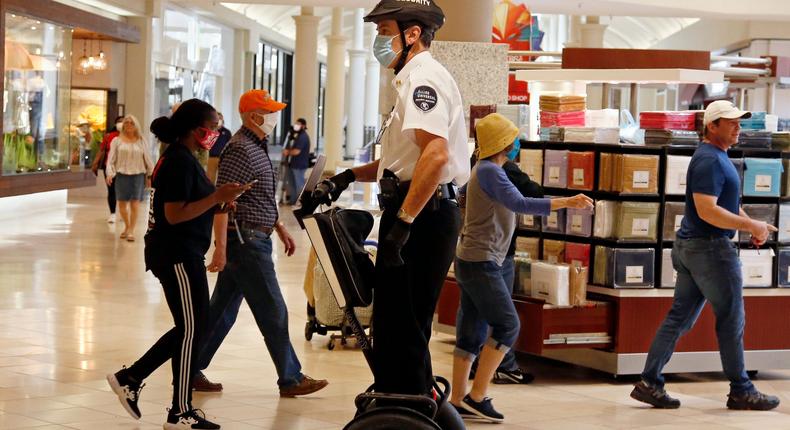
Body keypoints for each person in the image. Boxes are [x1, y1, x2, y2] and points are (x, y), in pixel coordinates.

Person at [319, 0, 467, 402]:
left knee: (403, 324)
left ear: (412, 34)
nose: (378, 41)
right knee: (397, 323)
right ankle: (406, 398)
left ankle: (406, 407)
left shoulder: (424, 80)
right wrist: (348, 176)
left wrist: (403, 223)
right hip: (417, 208)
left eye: (384, 31)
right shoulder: (408, 79)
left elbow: (436, 156)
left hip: (424, 214)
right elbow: (402, 161)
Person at [107, 98, 249, 429]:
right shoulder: (178, 162)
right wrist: (216, 197)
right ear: (194, 128)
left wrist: (221, 203)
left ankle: (133, 378)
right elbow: (174, 214)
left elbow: (191, 206)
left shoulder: (184, 158)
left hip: (182, 253)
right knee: (192, 329)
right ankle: (179, 409)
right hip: (176, 256)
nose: (216, 132)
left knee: (193, 327)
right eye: (212, 127)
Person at [630, 100, 780, 411]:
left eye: (739, 122)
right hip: (710, 250)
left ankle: (649, 382)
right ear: (712, 126)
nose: (738, 127)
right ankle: (742, 389)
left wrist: (751, 224)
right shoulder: (710, 160)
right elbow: (707, 210)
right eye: (731, 122)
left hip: (694, 247)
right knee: (731, 319)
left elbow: (722, 205)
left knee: (679, 317)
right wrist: (749, 224)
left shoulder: (715, 156)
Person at [451, 113, 593, 422]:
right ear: (503, 142)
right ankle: (477, 396)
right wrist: (569, 202)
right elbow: (522, 203)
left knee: (471, 329)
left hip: (471, 257)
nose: (518, 143)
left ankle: (458, 398)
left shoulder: (484, 169)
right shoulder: (491, 171)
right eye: (514, 138)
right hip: (482, 260)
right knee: (508, 326)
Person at [192, 90, 328, 398]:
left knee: (222, 310)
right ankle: (291, 378)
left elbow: (255, 196)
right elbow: (224, 200)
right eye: (270, 113)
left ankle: (189, 367)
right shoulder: (240, 148)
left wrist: (278, 225)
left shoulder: (255, 145)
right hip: (246, 241)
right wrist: (222, 247)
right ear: (254, 117)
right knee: (273, 308)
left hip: (255, 235)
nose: (275, 118)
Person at [106, 115, 154, 242]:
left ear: (135, 125)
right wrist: (110, 173)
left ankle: (131, 230)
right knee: (121, 204)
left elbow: (148, 158)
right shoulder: (117, 141)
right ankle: (127, 226)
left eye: (131, 122)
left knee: (135, 204)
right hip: (121, 175)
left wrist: (151, 174)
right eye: (126, 122)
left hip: (138, 175)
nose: (128, 125)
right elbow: (111, 159)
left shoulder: (141, 140)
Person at [92, 115, 123, 223]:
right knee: (112, 191)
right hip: (109, 167)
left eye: (123, 121)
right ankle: (113, 213)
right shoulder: (109, 136)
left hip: (124, 168)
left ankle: (124, 213)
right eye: (119, 121)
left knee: (125, 192)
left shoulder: (130, 136)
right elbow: (101, 151)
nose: (121, 123)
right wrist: (95, 164)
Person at [283, 118, 310, 205]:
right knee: (292, 184)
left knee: (299, 184)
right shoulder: (298, 135)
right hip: (294, 164)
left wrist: (287, 152)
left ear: (303, 126)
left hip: (299, 165)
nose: (296, 125)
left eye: (298, 124)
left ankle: (301, 202)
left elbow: (296, 151)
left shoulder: (303, 137)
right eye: (296, 123)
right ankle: (293, 201)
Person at [207, 112, 232, 184]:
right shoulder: (211, 131)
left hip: (224, 158)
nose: (219, 120)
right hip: (212, 157)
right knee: (210, 178)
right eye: (217, 119)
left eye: (220, 118)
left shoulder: (227, 132)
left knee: (224, 177)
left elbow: (230, 145)